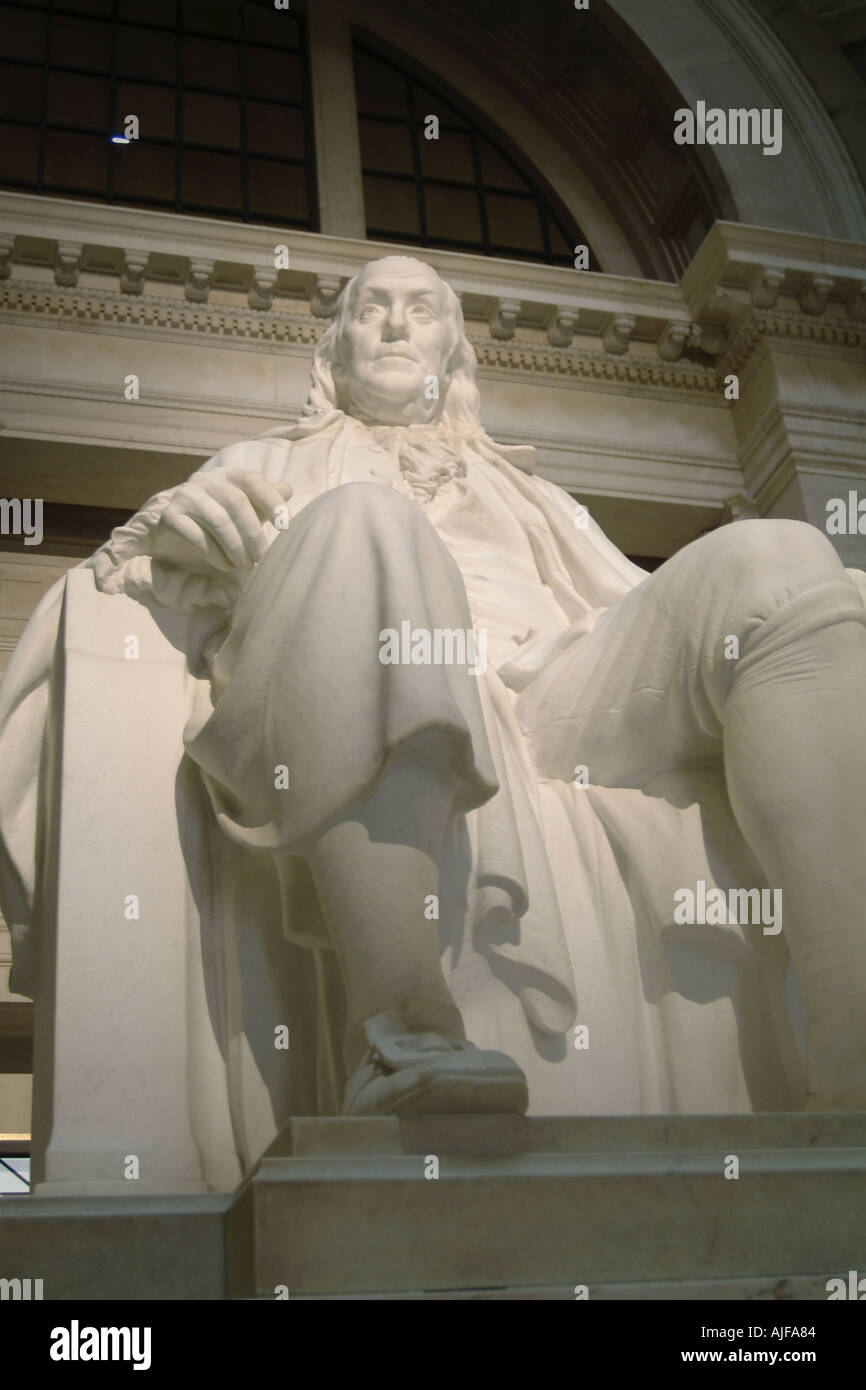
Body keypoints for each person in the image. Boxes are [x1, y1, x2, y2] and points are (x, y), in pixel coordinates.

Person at [4, 256, 866, 1122]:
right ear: (332, 354)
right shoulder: (264, 458)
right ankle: (401, 1022)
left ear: (452, 356)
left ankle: (849, 1054)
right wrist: (160, 534)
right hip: (350, 665)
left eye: (421, 310)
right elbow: (132, 571)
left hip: (547, 690)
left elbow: (623, 608)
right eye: (369, 308)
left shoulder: (527, 490)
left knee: (781, 559)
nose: (392, 323)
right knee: (365, 520)